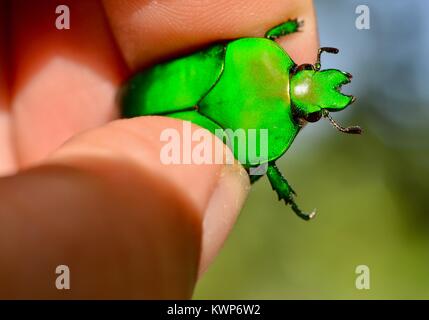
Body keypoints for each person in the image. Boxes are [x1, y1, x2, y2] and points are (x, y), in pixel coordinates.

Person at [0, 0, 318, 298]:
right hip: (136, 96)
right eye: (306, 71)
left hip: (137, 92)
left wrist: (285, 29)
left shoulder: (248, 55)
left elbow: (266, 38)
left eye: (314, 112)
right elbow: (262, 164)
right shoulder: (255, 122)